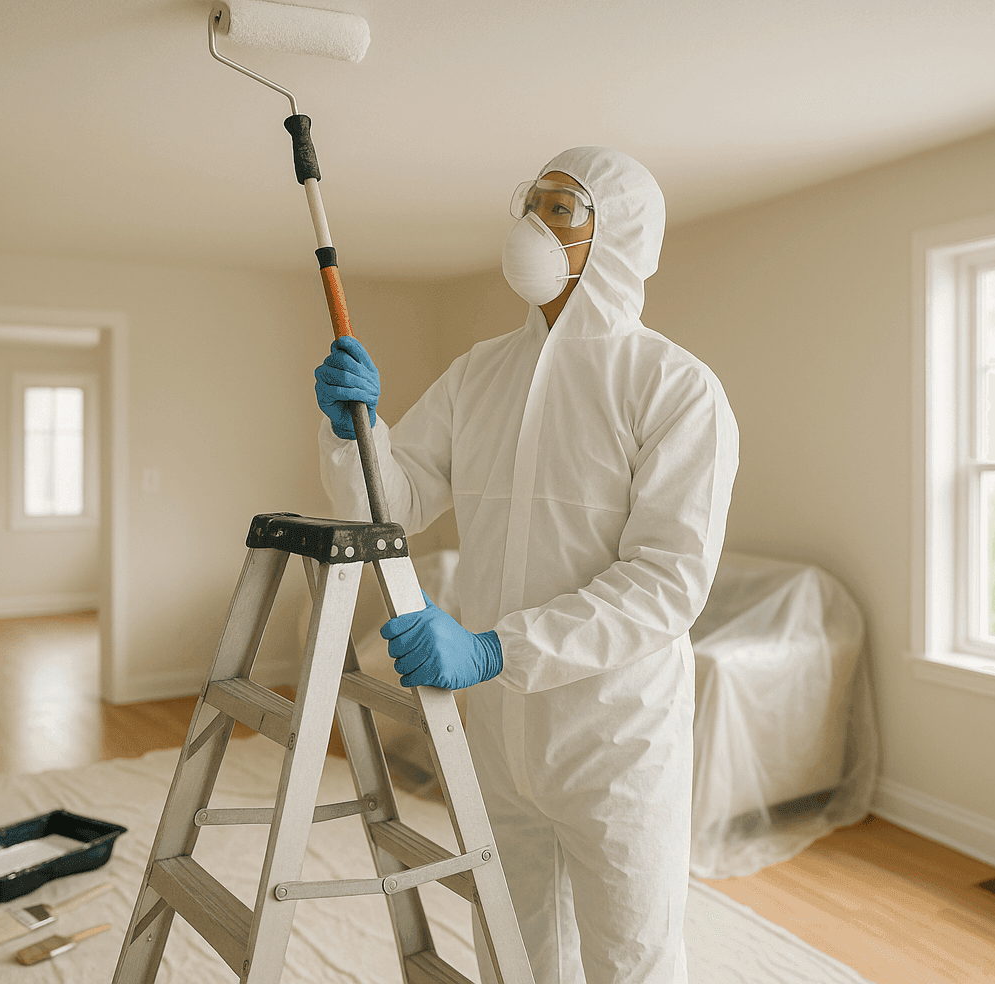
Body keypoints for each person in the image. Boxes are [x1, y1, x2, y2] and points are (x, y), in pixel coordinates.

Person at [314, 146, 739, 984]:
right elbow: (392, 501)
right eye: (530, 202)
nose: (532, 223)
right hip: (501, 733)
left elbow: (667, 582)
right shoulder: (480, 373)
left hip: (616, 737)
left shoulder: (674, 386)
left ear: (617, 235)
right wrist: (354, 431)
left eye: (559, 208)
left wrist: (496, 648)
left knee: (632, 957)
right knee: (512, 944)